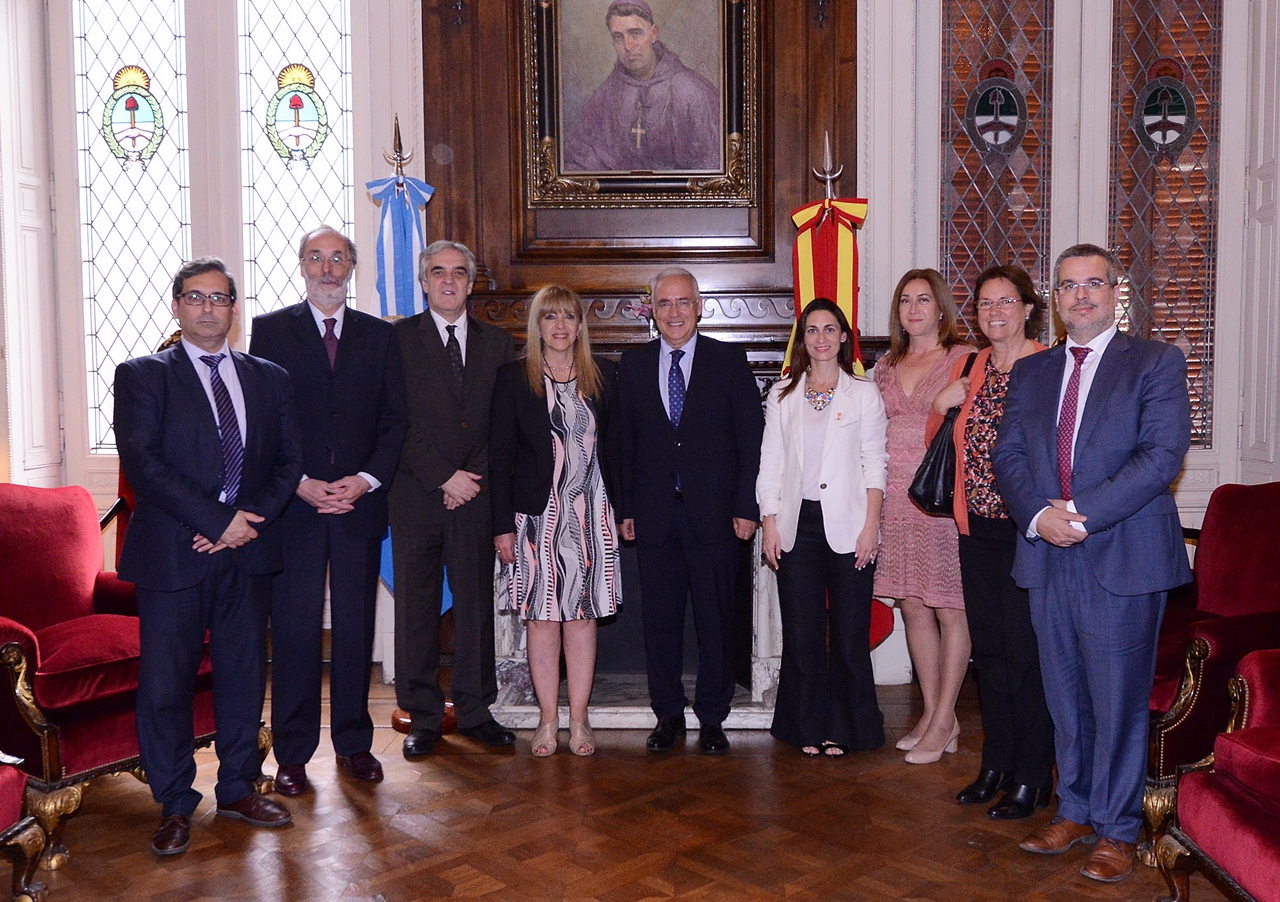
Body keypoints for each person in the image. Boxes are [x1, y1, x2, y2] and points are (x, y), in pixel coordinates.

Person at [992, 244, 1191, 883]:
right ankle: (1073, 809)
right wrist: (1037, 516)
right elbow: (1009, 457)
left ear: (1115, 293)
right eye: (1069, 286)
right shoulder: (1032, 370)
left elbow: (1162, 456)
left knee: (1118, 700)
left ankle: (1117, 828)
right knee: (1065, 696)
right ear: (1054, 299)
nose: (1081, 296)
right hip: (1046, 554)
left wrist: (1077, 514)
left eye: (1094, 284)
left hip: (1122, 552)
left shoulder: (1155, 362)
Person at [114, 257, 302, 856]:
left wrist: (243, 524)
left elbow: (286, 463)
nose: (208, 308)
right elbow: (146, 467)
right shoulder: (143, 375)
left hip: (246, 552)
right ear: (176, 305)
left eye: (220, 299)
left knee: (244, 678)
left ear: (233, 309)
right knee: (166, 684)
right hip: (172, 555)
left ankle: (239, 787)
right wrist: (217, 521)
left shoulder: (270, 377)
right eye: (196, 297)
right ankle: (173, 802)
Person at [248, 226, 408, 795]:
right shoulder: (269, 332)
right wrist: (300, 483)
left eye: (338, 258)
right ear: (301, 266)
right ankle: (292, 753)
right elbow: (263, 424)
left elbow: (395, 421)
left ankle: (354, 743)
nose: (327, 268)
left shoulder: (378, 337)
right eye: (316, 258)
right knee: (292, 629)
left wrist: (365, 481)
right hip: (297, 506)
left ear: (352, 267)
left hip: (359, 506)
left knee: (355, 626)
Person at [617, 266, 764, 755]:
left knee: (717, 620)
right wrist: (625, 508)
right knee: (660, 622)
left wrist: (748, 506)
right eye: (664, 303)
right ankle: (667, 716)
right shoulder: (633, 365)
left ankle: (714, 717)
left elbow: (751, 440)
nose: (674, 312)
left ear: (699, 307)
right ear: (652, 311)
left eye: (683, 302)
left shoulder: (728, 360)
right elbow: (623, 446)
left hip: (717, 516)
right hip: (655, 515)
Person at [925, 265, 1052, 818]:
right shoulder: (971, 366)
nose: (994, 311)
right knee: (991, 655)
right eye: (984, 304)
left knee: (1027, 656)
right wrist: (939, 407)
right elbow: (943, 446)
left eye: (1006, 301)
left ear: (1027, 308)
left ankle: (1033, 774)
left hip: (1028, 533)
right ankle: (995, 764)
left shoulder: (1049, 366)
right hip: (974, 528)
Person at [389, 240, 518, 758]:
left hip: (476, 497)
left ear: (471, 283)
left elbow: (503, 424)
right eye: (438, 272)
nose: (448, 281)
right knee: (416, 610)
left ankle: (474, 709)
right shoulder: (395, 341)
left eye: (459, 273)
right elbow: (395, 419)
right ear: (424, 282)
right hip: (417, 496)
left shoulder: (497, 343)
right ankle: (423, 714)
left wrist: (470, 480)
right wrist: (444, 476)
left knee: (474, 606)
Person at [489, 285, 622, 757]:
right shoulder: (513, 378)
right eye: (550, 318)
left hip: (591, 516)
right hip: (534, 519)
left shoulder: (603, 375)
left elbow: (619, 451)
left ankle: (580, 721)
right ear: (537, 326)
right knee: (542, 620)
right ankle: (547, 722)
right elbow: (499, 457)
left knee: (581, 619)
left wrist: (624, 512)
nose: (560, 326)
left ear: (580, 325)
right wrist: (501, 525)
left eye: (568, 317)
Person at [757, 299, 888, 757]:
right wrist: (769, 523)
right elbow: (770, 462)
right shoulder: (782, 394)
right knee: (803, 634)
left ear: (843, 337)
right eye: (812, 330)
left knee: (851, 636)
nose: (821, 338)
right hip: (797, 525)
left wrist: (872, 526)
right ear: (803, 339)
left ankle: (847, 728)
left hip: (851, 525)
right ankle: (806, 727)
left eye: (830, 329)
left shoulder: (864, 393)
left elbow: (876, 464)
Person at [872, 268, 975, 765]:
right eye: (905, 300)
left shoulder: (963, 359)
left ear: (941, 310)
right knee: (913, 605)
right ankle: (938, 717)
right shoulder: (885, 366)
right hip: (897, 500)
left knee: (950, 607)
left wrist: (939, 403)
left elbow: (979, 428)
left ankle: (943, 716)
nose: (914, 309)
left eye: (924, 299)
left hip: (941, 498)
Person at [563, 0, 721, 173]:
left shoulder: (691, 92)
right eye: (618, 37)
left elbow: (713, 168)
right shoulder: (607, 94)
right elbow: (576, 161)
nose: (628, 46)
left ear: (653, 33)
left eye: (635, 33)